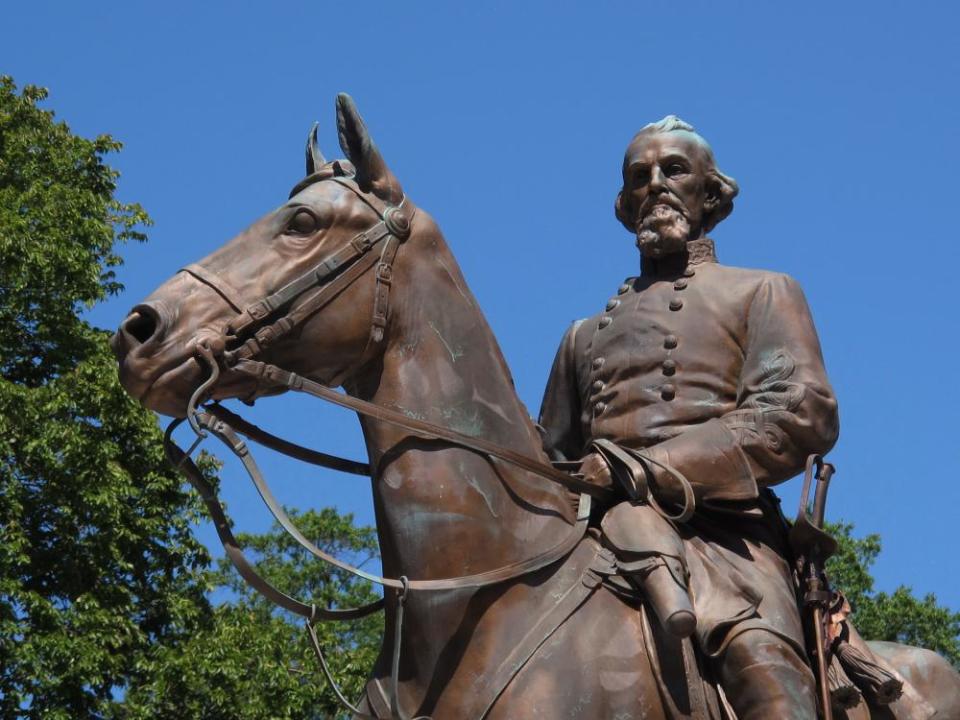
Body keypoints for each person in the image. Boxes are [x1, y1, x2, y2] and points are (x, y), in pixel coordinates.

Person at [538, 115, 839, 719]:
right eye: (639, 175)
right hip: (595, 535)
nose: (655, 183)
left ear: (709, 193)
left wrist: (641, 469)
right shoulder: (581, 337)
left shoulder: (762, 291)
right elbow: (550, 460)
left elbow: (795, 415)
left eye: (673, 170)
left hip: (725, 542)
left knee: (769, 683)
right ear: (624, 204)